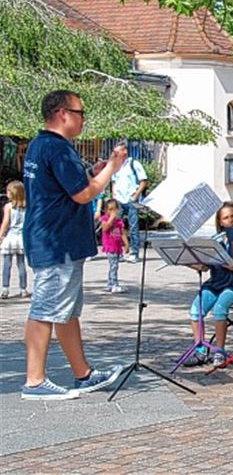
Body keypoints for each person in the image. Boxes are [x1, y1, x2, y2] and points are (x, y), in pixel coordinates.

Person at [21, 90, 126, 400]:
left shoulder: (40, 145)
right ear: (62, 113)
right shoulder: (57, 148)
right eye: (80, 113)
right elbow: (83, 194)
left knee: (66, 311)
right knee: (45, 308)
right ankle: (35, 381)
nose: (84, 119)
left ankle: (83, 374)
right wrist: (112, 168)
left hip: (52, 237)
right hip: (57, 241)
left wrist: (91, 172)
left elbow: (64, 186)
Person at [180, 202, 233, 367]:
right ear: (220, 222)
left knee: (219, 308)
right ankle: (200, 349)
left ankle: (219, 351)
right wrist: (183, 258)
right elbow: (203, 267)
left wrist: (218, 256)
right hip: (215, 283)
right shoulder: (216, 239)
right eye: (226, 218)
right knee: (196, 309)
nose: (231, 220)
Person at [110, 147, 148, 263]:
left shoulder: (134, 164)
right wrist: (114, 196)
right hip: (119, 199)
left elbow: (144, 180)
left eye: (118, 151)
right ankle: (118, 252)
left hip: (131, 199)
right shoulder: (116, 166)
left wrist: (136, 195)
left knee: (133, 226)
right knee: (116, 227)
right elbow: (114, 182)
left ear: (125, 151)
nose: (115, 153)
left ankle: (134, 252)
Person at [1, 180, 29, 299]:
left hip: (11, 237)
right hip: (22, 238)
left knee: (7, 264)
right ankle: (23, 289)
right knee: (21, 264)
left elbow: (6, 223)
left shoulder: (8, 207)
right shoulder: (27, 206)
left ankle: (5, 288)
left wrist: (1, 235)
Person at [98, 199, 129, 294]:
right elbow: (105, 228)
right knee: (114, 266)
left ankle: (110, 283)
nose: (113, 212)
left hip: (117, 246)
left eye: (114, 210)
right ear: (106, 210)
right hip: (109, 246)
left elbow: (122, 233)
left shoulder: (119, 221)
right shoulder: (104, 219)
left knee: (114, 265)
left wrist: (126, 244)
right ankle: (114, 284)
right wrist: (111, 219)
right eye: (110, 210)